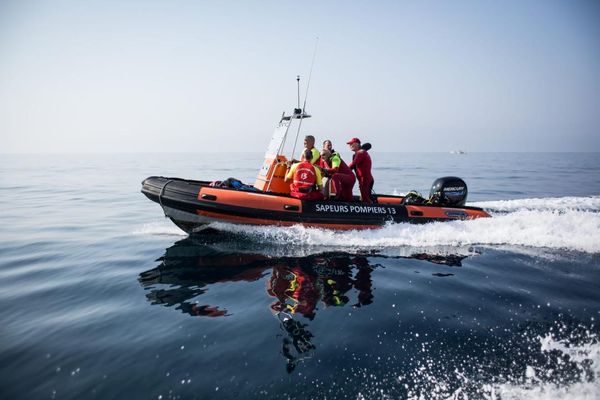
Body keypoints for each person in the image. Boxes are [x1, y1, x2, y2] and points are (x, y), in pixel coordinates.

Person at [347, 137, 374, 203]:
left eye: (352, 143)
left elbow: (353, 165)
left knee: (365, 200)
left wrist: (342, 170)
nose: (350, 145)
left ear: (357, 144)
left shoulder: (360, 153)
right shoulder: (361, 152)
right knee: (363, 199)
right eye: (349, 144)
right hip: (367, 179)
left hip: (364, 180)